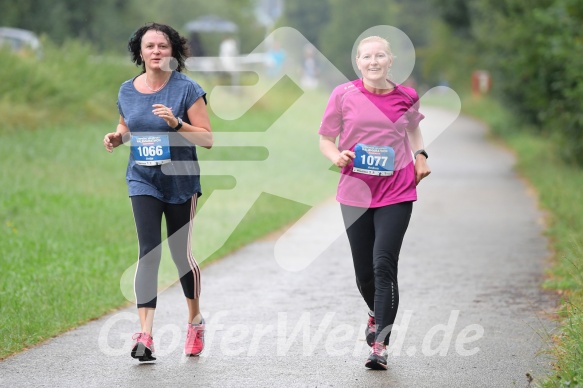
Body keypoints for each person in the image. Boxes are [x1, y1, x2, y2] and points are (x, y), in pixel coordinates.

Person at [103, 22, 213, 362]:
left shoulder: (187, 89)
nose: (155, 51)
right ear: (140, 52)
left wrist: (177, 124)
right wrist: (117, 137)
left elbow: (207, 139)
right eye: (149, 46)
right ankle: (145, 335)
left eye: (162, 46)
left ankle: (194, 320)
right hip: (143, 179)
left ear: (172, 52)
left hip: (180, 181)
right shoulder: (126, 90)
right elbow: (128, 126)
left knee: (181, 255)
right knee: (149, 251)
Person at [318, 36, 430, 370]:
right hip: (355, 192)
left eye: (380, 55)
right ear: (358, 61)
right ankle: (373, 312)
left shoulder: (406, 96)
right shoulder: (343, 94)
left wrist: (420, 155)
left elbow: (413, 132)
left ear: (390, 60)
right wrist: (338, 156)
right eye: (367, 56)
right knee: (365, 275)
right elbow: (325, 138)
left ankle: (380, 345)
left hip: (397, 190)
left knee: (384, 265)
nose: (373, 61)